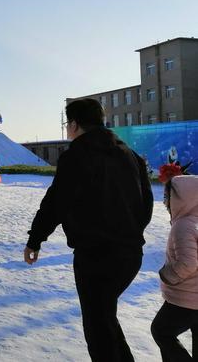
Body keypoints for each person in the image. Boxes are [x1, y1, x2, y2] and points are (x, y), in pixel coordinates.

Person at [24, 98, 153, 361]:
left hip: (97, 257)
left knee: (98, 327)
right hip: (130, 254)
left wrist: (35, 240)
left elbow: (56, 203)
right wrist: (130, 233)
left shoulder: (77, 155)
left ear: (74, 124)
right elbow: (146, 202)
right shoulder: (129, 154)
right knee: (104, 318)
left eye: (67, 124)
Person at [151, 167, 198, 361]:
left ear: (183, 198)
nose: (165, 202)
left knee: (161, 331)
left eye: (167, 197)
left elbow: (188, 263)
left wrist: (167, 274)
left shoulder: (183, 225)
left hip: (186, 298)